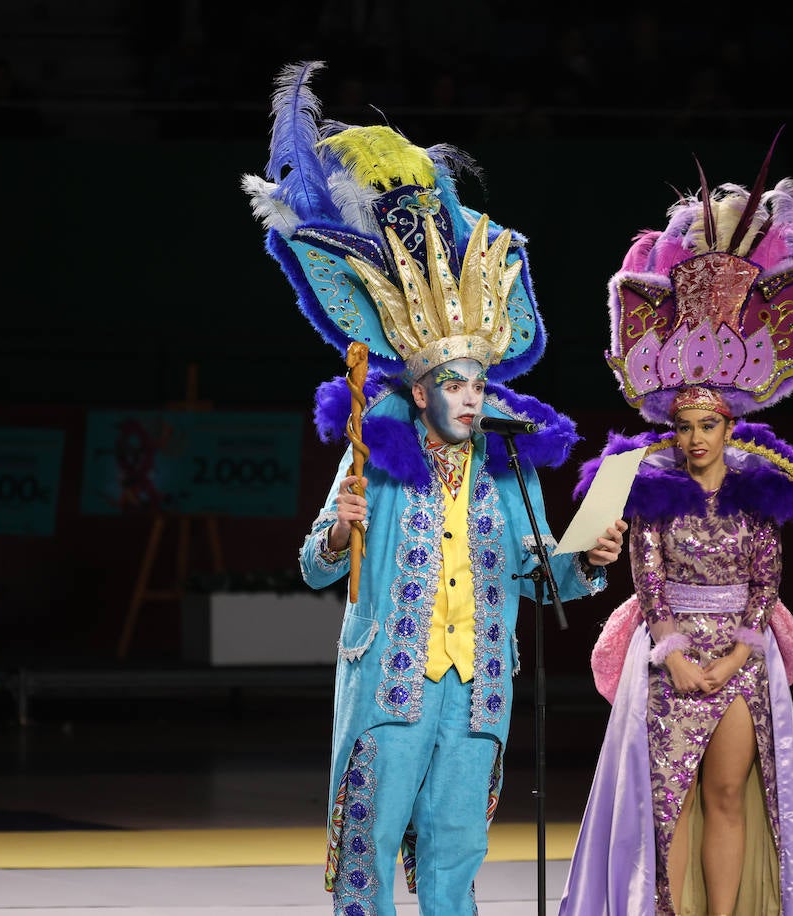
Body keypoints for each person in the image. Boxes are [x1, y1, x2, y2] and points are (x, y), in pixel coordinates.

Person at [244, 60, 626, 915]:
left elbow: (539, 573)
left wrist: (587, 558)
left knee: (458, 851)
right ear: (420, 390)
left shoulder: (506, 468)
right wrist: (339, 533)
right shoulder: (375, 454)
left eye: (477, 384)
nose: (469, 397)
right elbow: (314, 564)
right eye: (454, 384)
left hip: (479, 685)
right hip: (392, 683)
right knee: (370, 849)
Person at [559, 148, 793, 915]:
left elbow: (767, 582)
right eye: (685, 424)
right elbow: (630, 567)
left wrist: (740, 650)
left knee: (733, 792)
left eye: (710, 423)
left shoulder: (760, 486)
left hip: (741, 649)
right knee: (662, 802)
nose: (696, 437)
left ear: (730, 422)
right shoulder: (640, 480)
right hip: (673, 653)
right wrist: (669, 650)